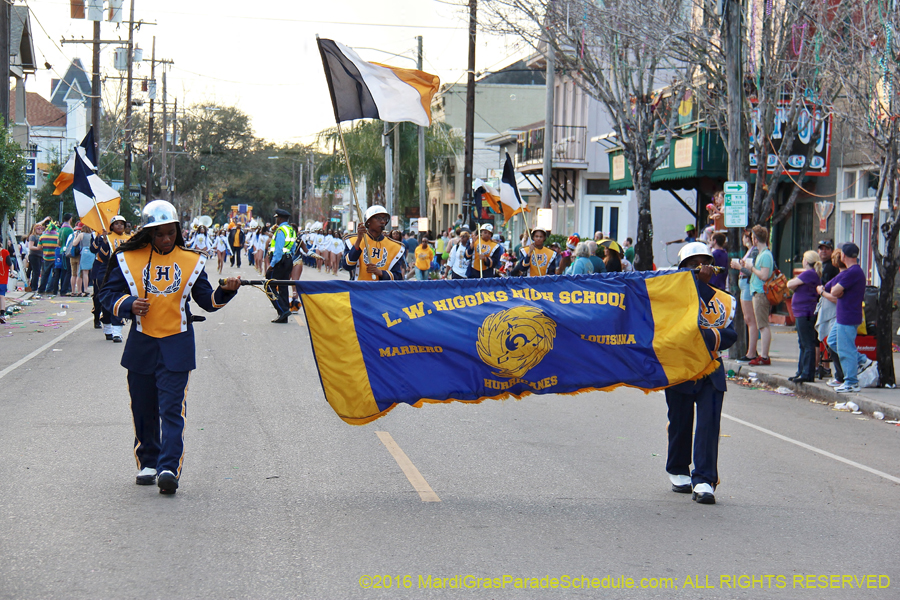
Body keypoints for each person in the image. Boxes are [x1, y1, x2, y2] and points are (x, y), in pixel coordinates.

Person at [100, 200, 241, 495]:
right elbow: (108, 294)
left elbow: (208, 301)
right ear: (148, 232)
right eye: (159, 234)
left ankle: (169, 467)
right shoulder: (128, 258)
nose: (165, 240)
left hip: (177, 344)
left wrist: (225, 291)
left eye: (170, 233)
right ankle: (148, 461)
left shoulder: (192, 260)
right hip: (142, 344)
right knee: (143, 408)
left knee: (172, 410)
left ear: (177, 230)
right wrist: (127, 305)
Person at [666, 242, 737, 505]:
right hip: (681, 367)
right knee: (680, 421)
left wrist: (704, 337)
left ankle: (705, 478)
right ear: (681, 268)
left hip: (711, 368)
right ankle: (678, 468)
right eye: (692, 264)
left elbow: (730, 335)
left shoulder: (726, 298)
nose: (699, 268)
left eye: (703, 262)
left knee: (708, 425)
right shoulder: (672, 296)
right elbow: (676, 328)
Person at [818, 243, 873, 393]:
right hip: (844, 315)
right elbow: (834, 288)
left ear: (843, 256)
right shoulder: (852, 272)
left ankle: (851, 382)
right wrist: (835, 290)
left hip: (848, 316)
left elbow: (834, 291)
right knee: (833, 341)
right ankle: (862, 360)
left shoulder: (853, 272)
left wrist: (830, 291)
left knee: (845, 349)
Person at [738, 225, 773, 366]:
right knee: (761, 325)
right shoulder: (763, 254)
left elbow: (764, 275)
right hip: (757, 292)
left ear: (755, 239)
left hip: (761, 293)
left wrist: (751, 268)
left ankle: (764, 356)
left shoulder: (765, 255)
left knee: (763, 325)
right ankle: (763, 355)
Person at [92, 215, 131, 340]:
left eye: (122, 223)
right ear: (112, 226)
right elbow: (102, 256)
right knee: (105, 300)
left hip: (123, 271)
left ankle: (117, 332)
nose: (119, 225)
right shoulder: (107, 237)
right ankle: (107, 326)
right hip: (106, 271)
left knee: (119, 300)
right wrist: (103, 241)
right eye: (116, 223)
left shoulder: (130, 238)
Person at [786, 250, 823, 383]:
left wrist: (795, 284)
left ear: (806, 261)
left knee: (807, 344)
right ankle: (801, 371)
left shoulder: (809, 273)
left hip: (805, 312)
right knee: (803, 343)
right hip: (803, 312)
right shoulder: (812, 274)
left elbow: (789, 284)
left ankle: (807, 373)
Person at [341, 205, 405, 281]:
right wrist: (359, 240)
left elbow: (398, 277)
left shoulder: (395, 247)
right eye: (378, 218)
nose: (382, 221)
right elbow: (347, 266)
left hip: (381, 291)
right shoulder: (353, 240)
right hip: (358, 290)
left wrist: (380, 272)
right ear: (368, 222)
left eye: (384, 219)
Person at [731, 230, 759, 362]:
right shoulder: (750, 251)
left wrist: (739, 267)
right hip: (744, 284)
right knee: (748, 319)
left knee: (750, 319)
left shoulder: (754, 251)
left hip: (748, 284)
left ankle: (751, 352)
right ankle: (751, 350)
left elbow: (751, 271)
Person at [267, 208, 297, 323]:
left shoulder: (280, 230)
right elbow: (293, 248)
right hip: (288, 260)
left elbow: (278, 250)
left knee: (269, 285)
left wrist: (272, 265)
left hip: (279, 261)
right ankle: (283, 316)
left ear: (280, 218)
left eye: (277, 218)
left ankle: (283, 310)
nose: (276, 220)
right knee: (283, 287)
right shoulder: (291, 229)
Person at [37, 222, 59, 295]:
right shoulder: (57, 236)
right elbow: (59, 245)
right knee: (54, 274)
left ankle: (41, 289)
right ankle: (50, 288)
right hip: (55, 258)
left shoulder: (42, 237)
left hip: (46, 257)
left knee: (45, 274)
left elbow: (39, 247)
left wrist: (45, 249)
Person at [25, 221, 47, 292]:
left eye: (41, 228)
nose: (40, 229)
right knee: (36, 271)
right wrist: (39, 248)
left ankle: (32, 286)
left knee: (36, 271)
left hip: (40, 255)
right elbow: (30, 247)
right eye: (38, 228)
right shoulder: (33, 236)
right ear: (34, 229)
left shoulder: (41, 236)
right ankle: (34, 287)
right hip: (34, 255)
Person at [57, 213, 74, 296]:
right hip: (68, 251)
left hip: (61, 251)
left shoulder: (61, 229)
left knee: (64, 271)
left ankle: (62, 289)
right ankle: (65, 289)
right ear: (70, 219)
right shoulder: (70, 230)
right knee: (69, 271)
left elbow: (58, 242)